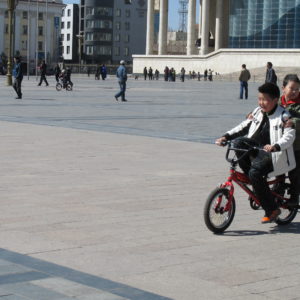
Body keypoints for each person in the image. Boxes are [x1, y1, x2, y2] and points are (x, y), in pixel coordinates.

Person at [216, 83, 296, 223]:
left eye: (265, 99)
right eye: (259, 99)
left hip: (275, 155)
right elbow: (243, 126)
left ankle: (272, 209)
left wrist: (276, 146)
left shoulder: (284, 115)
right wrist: (226, 137)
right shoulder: (258, 112)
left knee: (255, 173)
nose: (261, 103)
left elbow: (289, 136)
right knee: (238, 143)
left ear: (275, 100)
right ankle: (256, 183)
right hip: (257, 151)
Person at [279, 74, 300, 207]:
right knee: (278, 170)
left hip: (296, 145)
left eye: (297, 89)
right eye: (292, 88)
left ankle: (294, 196)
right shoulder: (277, 102)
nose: (295, 92)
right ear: (283, 88)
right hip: (280, 143)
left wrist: (293, 122)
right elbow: (265, 110)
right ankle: (278, 190)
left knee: (294, 172)